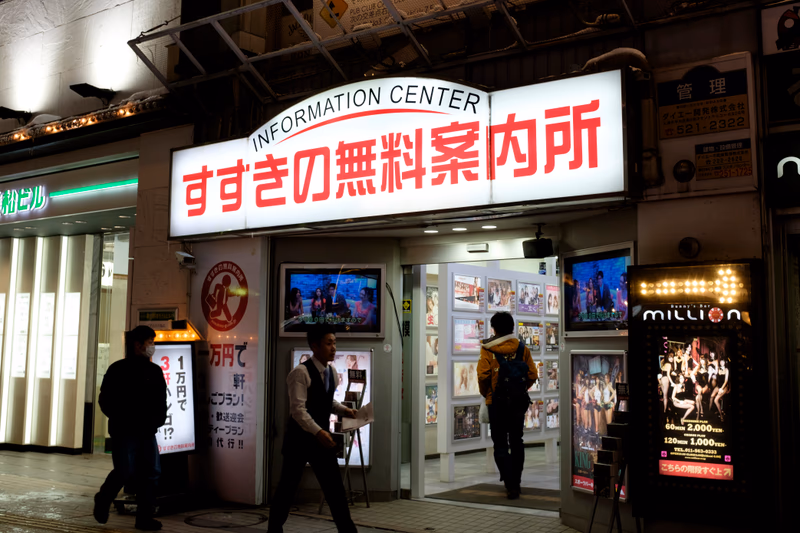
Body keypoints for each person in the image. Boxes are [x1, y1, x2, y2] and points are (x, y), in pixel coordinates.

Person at [268, 325, 359, 533]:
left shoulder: (332, 372)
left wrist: (345, 410)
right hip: (299, 441)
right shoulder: (300, 373)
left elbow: (327, 402)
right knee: (287, 490)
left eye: (334, 343)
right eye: (329, 343)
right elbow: (298, 411)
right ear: (314, 346)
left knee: (335, 490)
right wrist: (318, 431)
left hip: (321, 440)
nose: (334, 348)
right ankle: (273, 531)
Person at [93, 326, 167, 531]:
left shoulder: (154, 370)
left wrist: (157, 421)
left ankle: (144, 518)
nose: (153, 346)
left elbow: (161, 400)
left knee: (150, 473)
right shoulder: (118, 369)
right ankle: (103, 499)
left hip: (146, 431)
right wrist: (123, 418)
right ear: (138, 344)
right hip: (124, 432)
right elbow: (105, 400)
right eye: (150, 342)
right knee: (125, 471)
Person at [477, 312, 537, 500]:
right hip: (518, 402)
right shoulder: (522, 348)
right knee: (517, 440)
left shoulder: (488, 349)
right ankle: (516, 482)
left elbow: (483, 376)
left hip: (496, 402)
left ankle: (509, 482)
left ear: (494, 329)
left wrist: (488, 394)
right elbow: (533, 375)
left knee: (500, 443)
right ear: (512, 328)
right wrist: (519, 391)